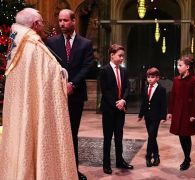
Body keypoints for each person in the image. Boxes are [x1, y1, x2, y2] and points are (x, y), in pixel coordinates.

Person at [0, 8, 77, 179]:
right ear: (35, 24)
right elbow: (49, 74)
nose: (43, 25)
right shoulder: (33, 46)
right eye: (41, 21)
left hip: (19, 106)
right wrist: (62, 74)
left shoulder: (16, 41)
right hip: (32, 105)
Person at [46, 9, 93, 180]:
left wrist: (73, 83)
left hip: (76, 95)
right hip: (56, 95)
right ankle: (56, 168)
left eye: (65, 20)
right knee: (56, 132)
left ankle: (73, 170)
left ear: (73, 21)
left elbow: (87, 66)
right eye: (60, 21)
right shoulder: (51, 42)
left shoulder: (85, 43)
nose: (62, 24)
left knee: (72, 133)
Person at [100, 44, 133, 174]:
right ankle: (106, 163)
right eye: (120, 56)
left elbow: (126, 88)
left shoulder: (123, 71)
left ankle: (120, 161)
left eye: (123, 56)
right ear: (112, 55)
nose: (121, 58)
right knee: (108, 137)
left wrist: (123, 101)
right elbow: (105, 91)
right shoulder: (104, 70)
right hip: (109, 109)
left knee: (119, 136)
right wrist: (116, 103)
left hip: (120, 109)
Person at [167, 56, 195, 171]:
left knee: (186, 134)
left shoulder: (193, 80)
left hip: (187, 112)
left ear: (188, 67)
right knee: (180, 134)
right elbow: (173, 97)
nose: (178, 67)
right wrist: (170, 111)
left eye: (180, 65)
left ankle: (186, 159)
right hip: (177, 111)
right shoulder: (176, 79)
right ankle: (187, 158)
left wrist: (193, 114)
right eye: (178, 65)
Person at [138, 67, 167, 167]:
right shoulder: (145, 88)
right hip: (147, 116)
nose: (150, 79)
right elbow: (144, 103)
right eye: (148, 77)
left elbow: (164, 104)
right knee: (152, 137)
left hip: (156, 117)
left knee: (151, 136)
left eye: (152, 77)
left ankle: (148, 156)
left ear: (157, 78)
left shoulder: (161, 90)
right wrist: (140, 115)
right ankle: (157, 155)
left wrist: (163, 116)